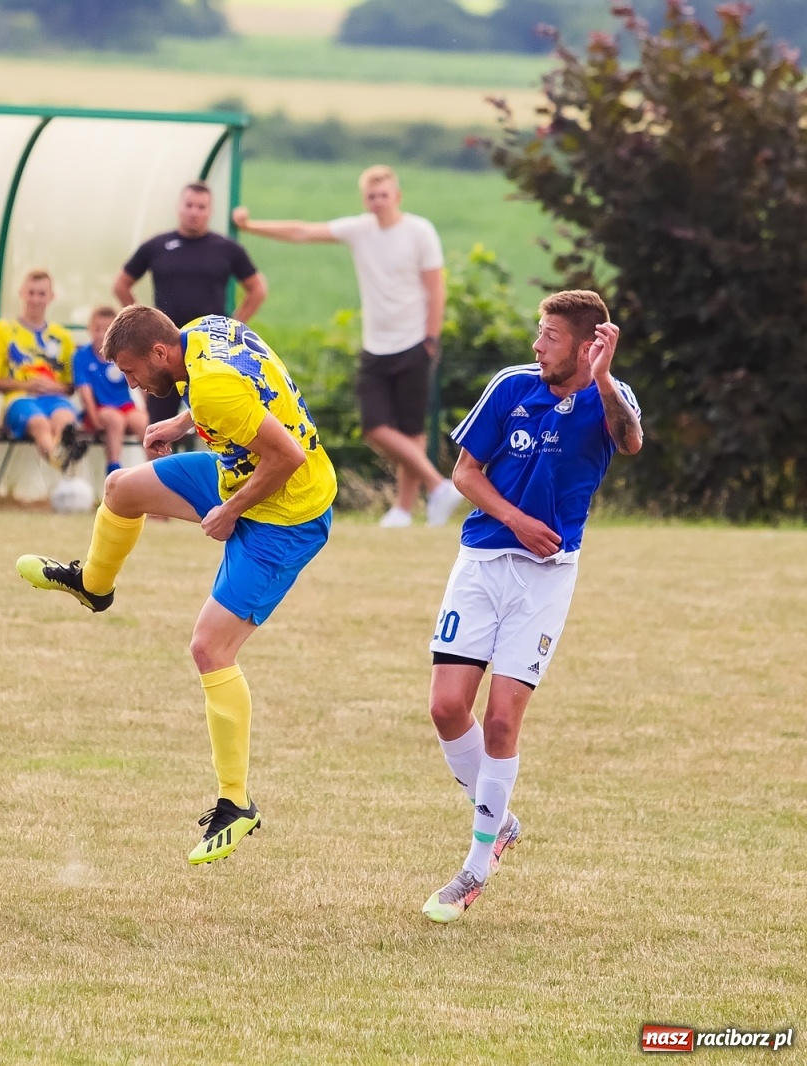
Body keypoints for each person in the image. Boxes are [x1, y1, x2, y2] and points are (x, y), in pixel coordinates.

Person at [17, 308, 336, 866]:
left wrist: (229, 512)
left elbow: (287, 455)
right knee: (120, 488)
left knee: (209, 648)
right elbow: (241, 389)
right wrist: (181, 424)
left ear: (161, 354)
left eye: (134, 371)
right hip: (238, 471)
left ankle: (237, 804)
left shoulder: (211, 387)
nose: (134, 383)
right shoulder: (204, 332)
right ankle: (94, 586)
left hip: (286, 514)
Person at [420, 290, 641, 924]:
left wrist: (602, 381)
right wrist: (515, 520)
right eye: (538, 332)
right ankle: (501, 818)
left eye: (548, 335)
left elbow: (629, 443)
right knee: (444, 706)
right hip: (483, 563)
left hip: (546, 580)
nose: (537, 345)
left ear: (584, 343)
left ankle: (475, 864)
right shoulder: (513, 385)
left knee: (500, 724)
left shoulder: (611, 397)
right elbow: (465, 472)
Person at [233, 165, 463, 528]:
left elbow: (436, 287)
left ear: (397, 196)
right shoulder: (360, 231)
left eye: (384, 194)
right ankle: (438, 486)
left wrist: (431, 339)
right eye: (371, 196)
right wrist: (250, 226)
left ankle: (405, 510)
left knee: (411, 432)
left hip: (415, 342)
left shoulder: (420, 232)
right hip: (376, 345)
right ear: (364, 200)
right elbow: (302, 231)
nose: (378, 201)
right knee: (375, 427)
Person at [115, 181, 267, 429]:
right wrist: (141, 325)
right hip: (162, 348)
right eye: (189, 205)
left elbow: (257, 289)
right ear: (179, 207)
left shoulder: (227, 249)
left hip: (210, 349)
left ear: (210, 211)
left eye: (201, 207)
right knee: (159, 422)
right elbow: (121, 284)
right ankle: (154, 467)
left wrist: (233, 326)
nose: (194, 211)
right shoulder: (157, 246)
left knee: (217, 415)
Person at [0, 269, 77, 469]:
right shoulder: (2, 330)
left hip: (54, 399)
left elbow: (70, 385)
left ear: (51, 297)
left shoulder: (63, 337)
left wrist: (52, 387)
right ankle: (60, 461)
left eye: (41, 294)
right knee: (39, 423)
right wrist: (26, 384)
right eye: (31, 293)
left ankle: (63, 464)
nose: (35, 299)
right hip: (18, 399)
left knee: (66, 421)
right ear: (21, 293)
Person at [73, 306, 146, 476]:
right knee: (115, 420)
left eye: (106, 330)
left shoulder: (125, 353)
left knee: (144, 422)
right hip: (100, 409)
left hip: (125, 407)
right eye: (97, 329)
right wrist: (93, 417)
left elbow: (141, 383)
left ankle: (158, 471)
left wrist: (148, 410)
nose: (101, 334)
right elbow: (85, 391)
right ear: (89, 329)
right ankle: (114, 471)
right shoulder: (82, 356)